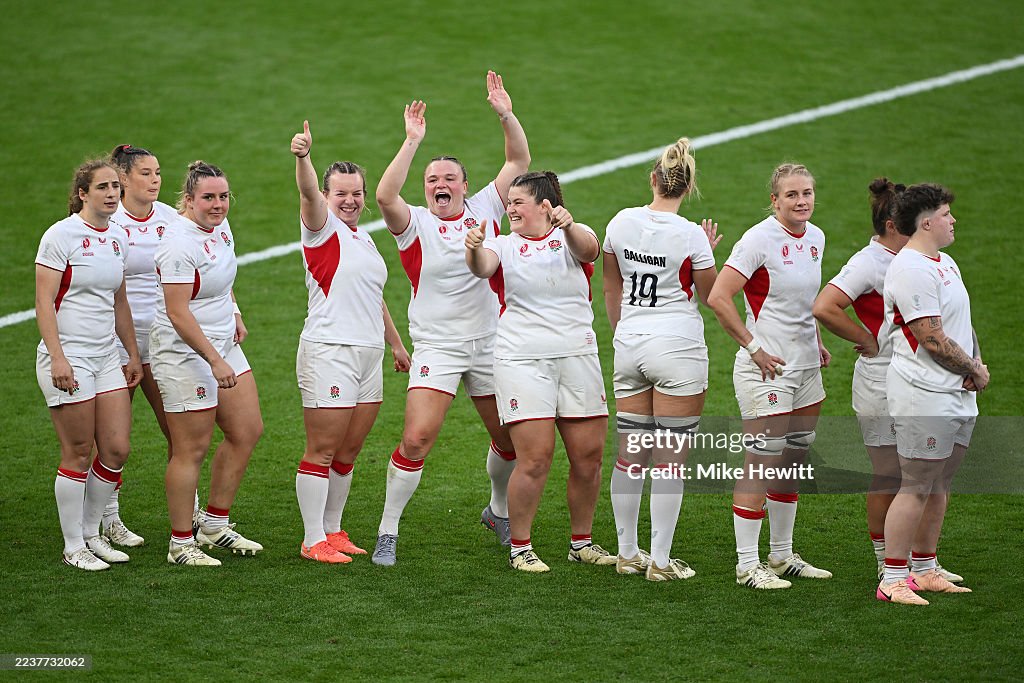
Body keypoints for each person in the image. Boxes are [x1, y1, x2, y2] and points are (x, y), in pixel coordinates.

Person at [370, 71, 530, 566]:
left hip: (491, 342)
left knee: (508, 440)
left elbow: (519, 160)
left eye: (450, 179)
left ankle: (497, 510)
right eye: (433, 180)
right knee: (416, 438)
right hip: (437, 347)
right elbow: (384, 196)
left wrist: (505, 113)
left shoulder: (486, 207)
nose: (441, 185)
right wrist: (411, 141)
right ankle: (388, 530)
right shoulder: (412, 222)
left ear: (464, 185)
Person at [813, 178, 965, 586]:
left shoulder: (923, 259)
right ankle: (886, 562)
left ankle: (920, 564)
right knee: (890, 475)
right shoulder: (870, 261)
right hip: (881, 382)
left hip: (916, 379)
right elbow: (825, 306)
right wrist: (866, 338)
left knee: (925, 473)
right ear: (895, 224)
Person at [466, 171, 610, 573]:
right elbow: (481, 267)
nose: (509, 208)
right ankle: (520, 547)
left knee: (588, 457)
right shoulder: (501, 245)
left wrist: (569, 225)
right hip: (522, 360)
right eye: (508, 202)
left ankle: (581, 542)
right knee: (536, 457)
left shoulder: (572, 238)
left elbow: (589, 250)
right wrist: (473, 249)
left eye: (518, 202)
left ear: (544, 206)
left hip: (577, 356)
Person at [289, 121, 411, 564]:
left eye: (356, 192)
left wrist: (396, 345)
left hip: (368, 355)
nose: (350, 200)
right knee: (321, 450)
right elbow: (305, 193)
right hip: (330, 350)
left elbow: (374, 299)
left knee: (348, 449)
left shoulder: (364, 239)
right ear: (325, 196)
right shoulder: (321, 229)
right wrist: (303, 158)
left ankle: (334, 529)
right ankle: (311, 538)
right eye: (340, 192)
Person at [707, 163, 833, 590]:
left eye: (808, 193)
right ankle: (747, 565)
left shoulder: (815, 237)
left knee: (793, 459)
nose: (802, 202)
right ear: (775, 200)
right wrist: (753, 346)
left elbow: (805, 300)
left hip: (805, 368)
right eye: (792, 195)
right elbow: (719, 297)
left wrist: (815, 340)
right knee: (761, 462)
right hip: (766, 370)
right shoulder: (758, 240)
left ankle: (781, 555)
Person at [602, 138, 720, 581]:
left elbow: (611, 288)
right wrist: (706, 249)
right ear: (687, 189)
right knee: (670, 460)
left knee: (630, 456)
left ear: (653, 179)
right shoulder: (690, 234)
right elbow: (710, 296)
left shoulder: (621, 222)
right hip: (678, 350)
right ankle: (660, 561)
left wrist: (622, 334)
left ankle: (627, 554)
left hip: (630, 346)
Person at [150, 161, 264, 566]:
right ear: (189, 199)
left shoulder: (220, 226)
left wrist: (234, 311)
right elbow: (178, 312)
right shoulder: (179, 245)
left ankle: (214, 525)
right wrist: (214, 360)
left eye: (223, 196)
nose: (218, 205)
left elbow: (224, 278)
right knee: (190, 448)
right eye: (208, 198)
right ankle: (180, 543)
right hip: (184, 352)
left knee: (247, 430)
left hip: (222, 342)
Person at [875, 183, 984, 605]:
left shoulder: (945, 262)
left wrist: (976, 365)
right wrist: (972, 368)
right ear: (926, 222)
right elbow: (931, 338)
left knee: (940, 482)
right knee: (917, 483)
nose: (952, 220)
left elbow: (961, 324)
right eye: (945, 213)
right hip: (924, 393)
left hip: (956, 391)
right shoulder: (911, 269)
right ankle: (893, 578)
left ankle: (924, 567)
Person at [35, 159, 142, 570]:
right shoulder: (61, 236)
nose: (112, 193)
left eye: (116, 186)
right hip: (69, 359)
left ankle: (92, 533)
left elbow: (119, 300)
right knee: (79, 452)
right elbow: (44, 301)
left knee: (116, 449)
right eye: (103, 187)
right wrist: (58, 357)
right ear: (83, 194)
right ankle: (72, 545)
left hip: (105, 356)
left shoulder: (117, 236)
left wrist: (131, 353)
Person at [97, 144, 181, 549]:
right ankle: (107, 518)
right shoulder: (105, 223)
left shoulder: (171, 218)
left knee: (180, 431)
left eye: (158, 173)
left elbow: (202, 261)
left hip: (166, 339)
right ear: (123, 179)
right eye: (146, 173)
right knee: (113, 441)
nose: (155, 180)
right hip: (117, 343)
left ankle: (192, 513)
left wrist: (232, 308)